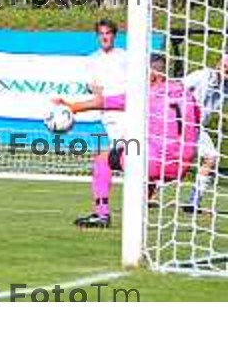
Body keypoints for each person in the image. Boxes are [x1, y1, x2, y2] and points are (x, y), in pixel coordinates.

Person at [54, 54, 199, 228]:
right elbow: (196, 121)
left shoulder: (145, 94)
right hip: (183, 163)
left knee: (102, 160)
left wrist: (73, 107)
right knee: (142, 155)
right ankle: (139, 212)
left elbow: (104, 102)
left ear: (152, 74)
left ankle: (101, 215)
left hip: (155, 161)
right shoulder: (187, 94)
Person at [182, 54, 228, 213]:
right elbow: (178, 88)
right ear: (218, 64)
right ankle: (146, 194)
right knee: (169, 162)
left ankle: (193, 202)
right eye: (224, 65)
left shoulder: (226, 87)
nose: (226, 69)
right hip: (180, 123)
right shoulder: (201, 75)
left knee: (211, 157)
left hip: (197, 128)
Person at [86, 19, 128, 151]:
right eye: (101, 34)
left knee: (126, 146)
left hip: (126, 108)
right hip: (107, 110)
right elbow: (90, 85)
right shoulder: (92, 59)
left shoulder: (125, 56)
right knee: (120, 146)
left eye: (108, 33)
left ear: (114, 35)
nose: (104, 37)